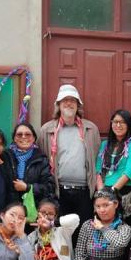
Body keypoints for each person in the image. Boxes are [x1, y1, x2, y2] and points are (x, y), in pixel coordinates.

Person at [38, 84, 101, 224]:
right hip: (58, 192)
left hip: (85, 192)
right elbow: (42, 158)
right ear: (58, 105)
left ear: (78, 105)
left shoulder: (91, 129)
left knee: (82, 233)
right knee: (59, 234)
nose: (68, 103)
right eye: (64, 100)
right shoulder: (47, 130)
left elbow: (96, 157)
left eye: (72, 100)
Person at [95, 109, 131, 220]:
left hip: (123, 191)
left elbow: (128, 172)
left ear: (129, 125)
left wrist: (111, 191)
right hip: (104, 190)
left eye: (123, 122)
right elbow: (98, 171)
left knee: (121, 226)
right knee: (103, 224)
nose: (118, 125)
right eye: (115, 121)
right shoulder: (104, 144)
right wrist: (102, 192)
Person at [2, 122, 53, 207]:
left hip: (33, 208)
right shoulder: (5, 157)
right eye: (19, 134)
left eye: (28, 134)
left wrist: (27, 187)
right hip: (9, 208)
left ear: (33, 138)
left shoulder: (41, 159)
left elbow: (48, 188)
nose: (23, 137)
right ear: (14, 138)